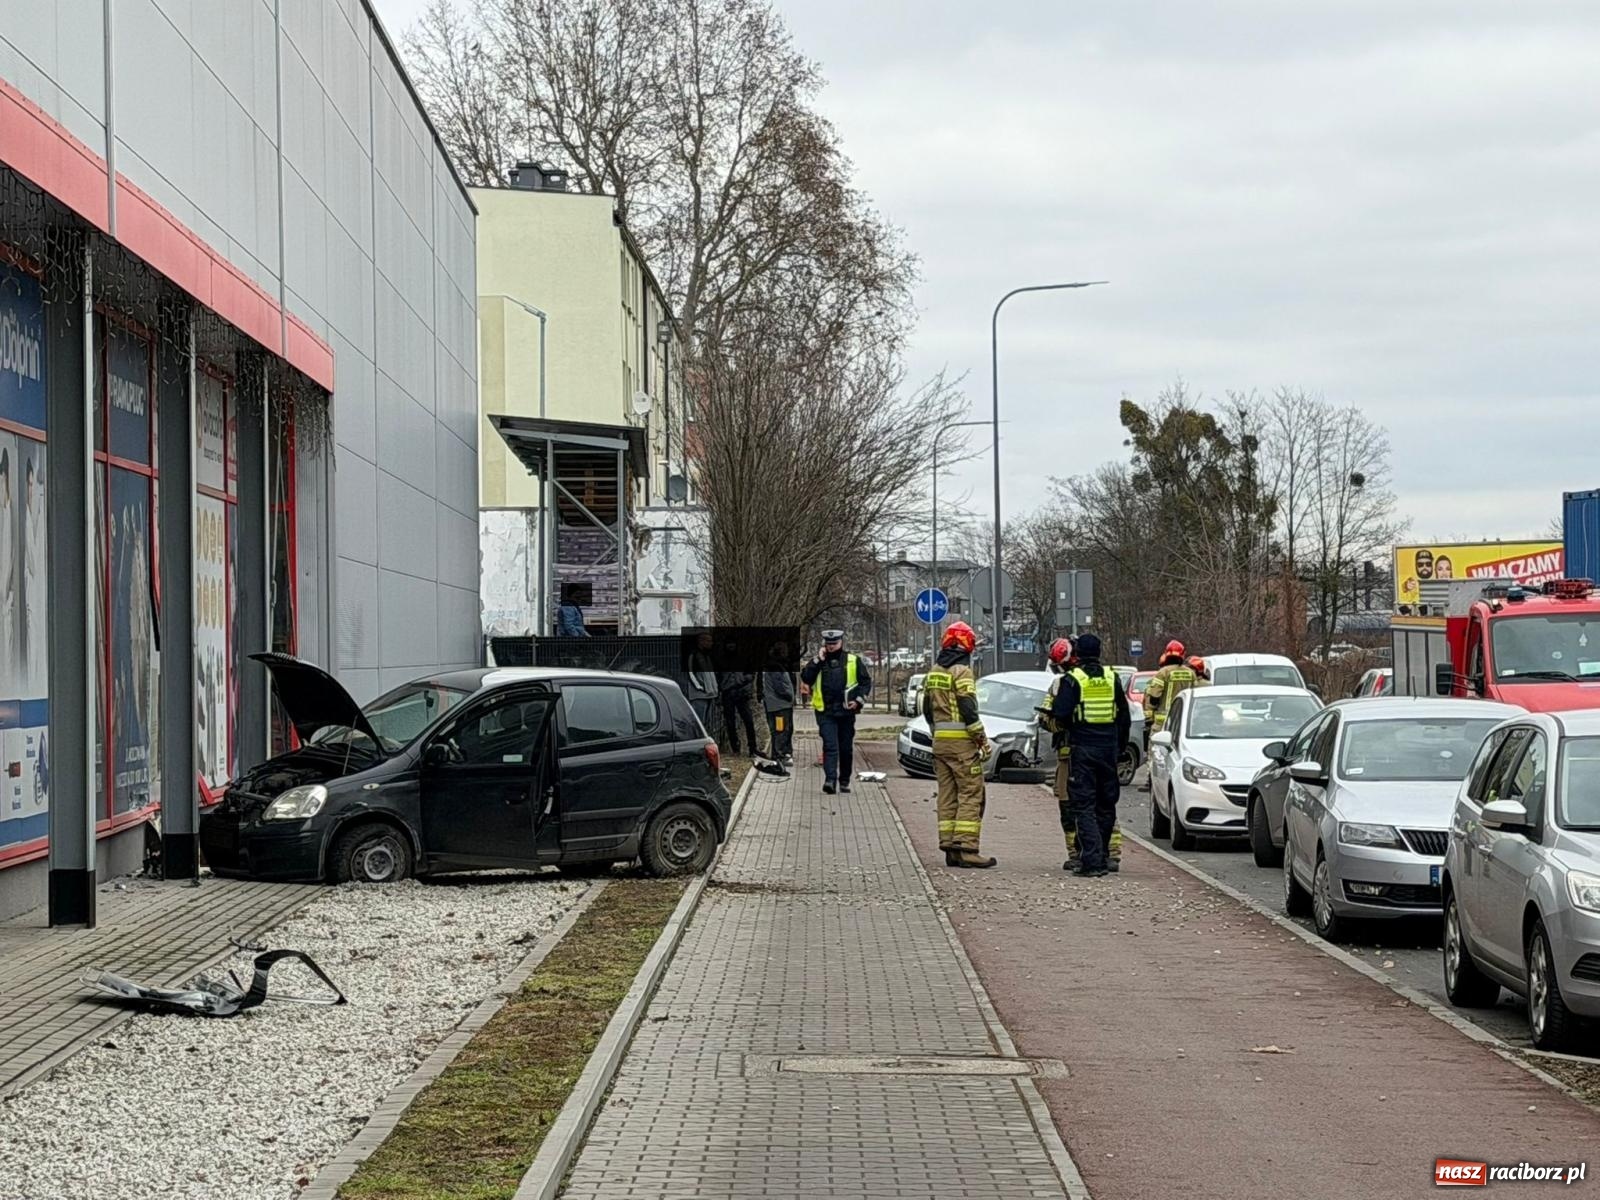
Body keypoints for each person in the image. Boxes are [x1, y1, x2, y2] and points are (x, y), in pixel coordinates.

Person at [1041, 638, 1126, 873]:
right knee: (1105, 803)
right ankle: (1105, 854)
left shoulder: (1068, 683)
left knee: (1079, 806)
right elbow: (1123, 716)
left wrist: (1062, 724)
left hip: (1078, 752)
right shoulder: (1109, 678)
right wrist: (1118, 748)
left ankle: (1086, 856)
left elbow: (1053, 717)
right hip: (1103, 750)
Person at [924, 621, 995, 868]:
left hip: (940, 744)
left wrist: (937, 733)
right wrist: (981, 739)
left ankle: (949, 847)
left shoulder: (934, 671)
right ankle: (967, 848)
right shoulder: (962, 671)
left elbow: (926, 710)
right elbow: (968, 707)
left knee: (947, 793)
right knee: (971, 792)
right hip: (961, 745)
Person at [800, 629, 871, 795]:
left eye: (834, 644)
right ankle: (830, 780)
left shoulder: (853, 660)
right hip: (826, 712)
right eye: (828, 644)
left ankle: (844, 780)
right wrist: (818, 660)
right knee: (830, 746)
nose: (831, 647)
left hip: (847, 712)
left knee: (845, 748)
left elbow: (865, 682)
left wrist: (859, 700)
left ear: (841, 643)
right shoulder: (819, 661)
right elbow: (806, 677)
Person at [761, 643, 796, 765]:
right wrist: (789, 696)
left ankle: (780, 754)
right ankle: (779, 756)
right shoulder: (775, 666)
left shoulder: (773, 665)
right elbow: (779, 686)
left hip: (775, 704)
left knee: (778, 730)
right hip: (780, 705)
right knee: (781, 730)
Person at [718, 668, 759, 756]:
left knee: (749, 720)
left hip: (741, 692)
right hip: (727, 692)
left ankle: (752, 748)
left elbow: (752, 673)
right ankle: (735, 749)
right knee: (730, 723)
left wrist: (744, 680)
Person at [686, 630, 719, 733]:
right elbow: (690, 673)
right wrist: (699, 687)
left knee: (705, 723)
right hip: (699, 695)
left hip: (709, 693)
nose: (711, 643)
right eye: (708, 641)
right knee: (699, 723)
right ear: (701, 641)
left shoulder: (707, 656)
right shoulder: (693, 655)